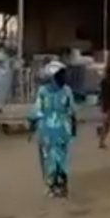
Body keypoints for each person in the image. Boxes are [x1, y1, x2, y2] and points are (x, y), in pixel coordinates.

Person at [29, 61, 76, 198]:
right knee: (60, 157)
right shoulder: (66, 90)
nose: (63, 78)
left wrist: (32, 123)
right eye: (60, 75)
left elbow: (37, 110)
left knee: (49, 158)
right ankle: (60, 186)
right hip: (61, 129)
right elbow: (72, 111)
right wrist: (73, 128)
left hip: (48, 129)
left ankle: (54, 186)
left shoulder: (44, 91)